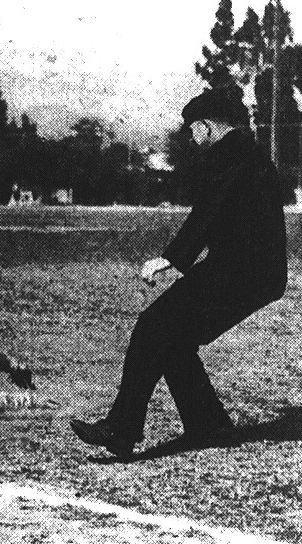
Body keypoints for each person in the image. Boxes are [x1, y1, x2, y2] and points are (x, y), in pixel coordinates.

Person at [70, 87, 287, 458]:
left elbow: (209, 210)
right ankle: (209, 425)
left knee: (153, 324)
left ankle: (122, 427)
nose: (190, 137)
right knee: (172, 337)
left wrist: (170, 258)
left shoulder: (230, 155)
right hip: (251, 271)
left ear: (205, 127)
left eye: (192, 129)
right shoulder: (247, 152)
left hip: (241, 272)